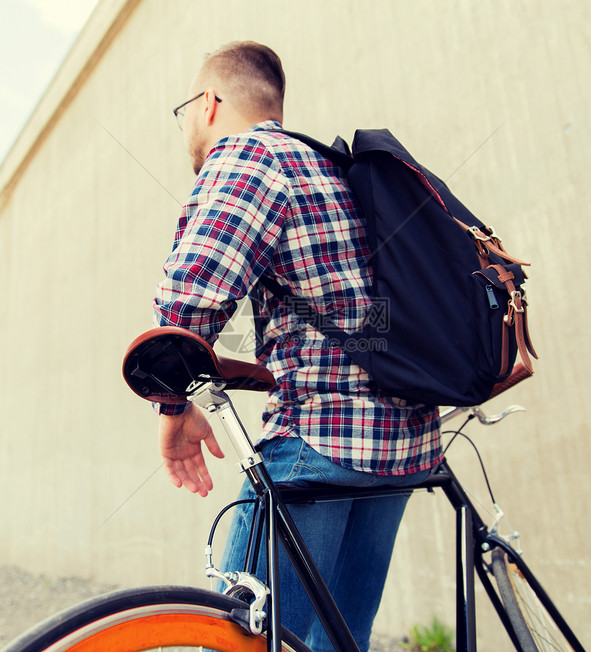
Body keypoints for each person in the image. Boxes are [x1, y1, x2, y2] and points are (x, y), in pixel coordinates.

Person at [152, 41, 442, 652]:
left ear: (208, 104)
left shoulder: (247, 160)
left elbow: (186, 305)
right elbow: (358, 321)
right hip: (403, 446)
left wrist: (175, 410)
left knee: (241, 642)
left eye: (184, 109)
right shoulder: (335, 173)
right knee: (335, 643)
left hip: (320, 442)